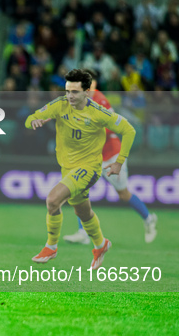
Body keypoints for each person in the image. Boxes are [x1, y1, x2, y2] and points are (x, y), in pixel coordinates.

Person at [25, 69, 136, 269]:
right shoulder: (60, 105)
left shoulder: (98, 113)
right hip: (68, 168)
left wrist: (119, 161)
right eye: (67, 91)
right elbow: (31, 116)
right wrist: (34, 120)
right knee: (83, 213)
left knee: (52, 200)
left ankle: (51, 246)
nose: (70, 96)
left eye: (75, 92)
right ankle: (101, 244)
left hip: (89, 168)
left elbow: (129, 130)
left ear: (87, 91)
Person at [64, 70, 157, 245]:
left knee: (123, 194)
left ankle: (148, 218)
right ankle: (83, 232)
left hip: (111, 155)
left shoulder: (100, 101)